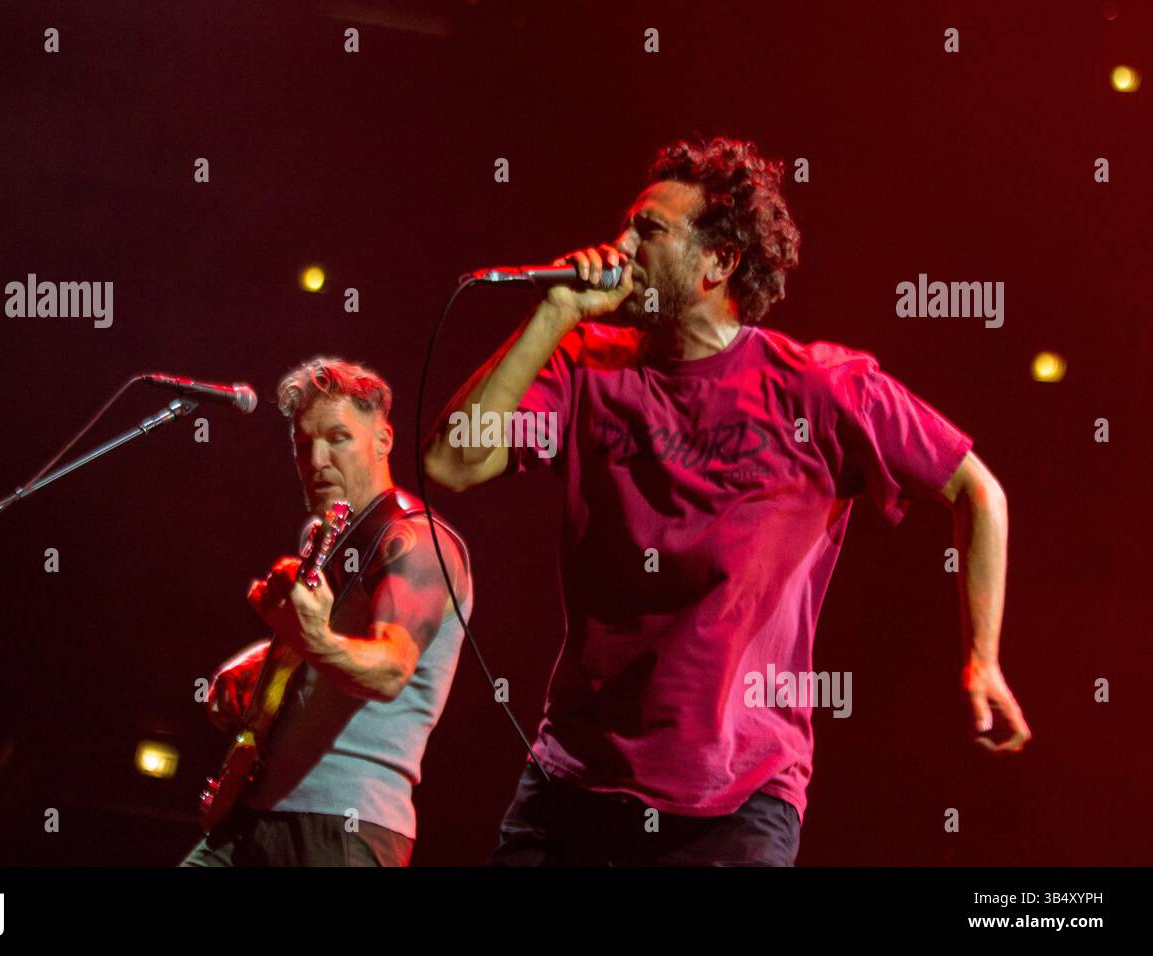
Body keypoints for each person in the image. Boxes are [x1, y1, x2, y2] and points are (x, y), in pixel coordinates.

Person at [422, 135, 1030, 866]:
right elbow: (449, 465)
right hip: (574, 783)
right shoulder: (586, 365)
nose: (618, 247)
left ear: (718, 262)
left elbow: (976, 489)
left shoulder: (820, 386)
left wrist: (982, 659)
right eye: (625, 226)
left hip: (737, 798)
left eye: (648, 231)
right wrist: (554, 315)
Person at [181, 356, 472, 866]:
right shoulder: (330, 542)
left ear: (383, 441)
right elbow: (330, 647)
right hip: (255, 817)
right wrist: (264, 664)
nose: (316, 459)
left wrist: (309, 636)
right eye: (303, 444)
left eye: (338, 438)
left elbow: (389, 668)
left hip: (340, 829)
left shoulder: (418, 540)